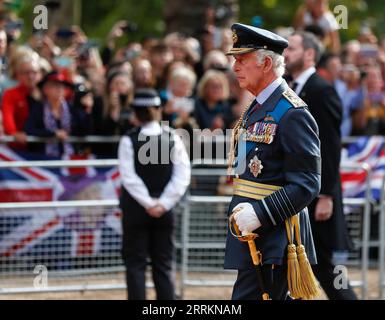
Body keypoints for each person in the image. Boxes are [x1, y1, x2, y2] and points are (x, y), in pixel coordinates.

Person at [224, 23, 321, 300]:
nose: (235, 67)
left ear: (266, 63)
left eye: (241, 60)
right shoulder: (258, 106)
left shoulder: (291, 112)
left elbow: (307, 183)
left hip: (274, 235)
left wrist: (259, 214)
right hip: (255, 235)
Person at [284, 31, 357, 300]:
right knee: (295, 262)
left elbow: (329, 146)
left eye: (292, 48)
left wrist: (326, 194)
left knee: (325, 264)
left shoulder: (321, 90)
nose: (286, 53)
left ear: (310, 54)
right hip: (298, 193)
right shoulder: (291, 88)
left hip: (318, 195)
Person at [118, 88, 191, 300]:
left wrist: (148, 203)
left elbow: (129, 177)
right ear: (158, 110)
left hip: (135, 210)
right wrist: (163, 203)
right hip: (164, 211)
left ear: (135, 112)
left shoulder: (128, 140)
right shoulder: (173, 139)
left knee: (136, 264)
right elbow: (182, 175)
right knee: (163, 264)